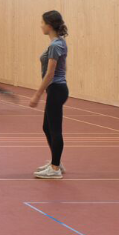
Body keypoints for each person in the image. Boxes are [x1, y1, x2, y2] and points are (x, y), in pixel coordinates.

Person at [29, 11, 69, 180]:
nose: (41, 25)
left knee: (55, 130)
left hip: (56, 89)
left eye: (42, 22)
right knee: (47, 128)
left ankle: (55, 168)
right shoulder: (58, 43)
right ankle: (56, 162)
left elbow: (50, 73)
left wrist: (37, 95)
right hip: (56, 89)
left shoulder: (55, 46)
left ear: (49, 25)